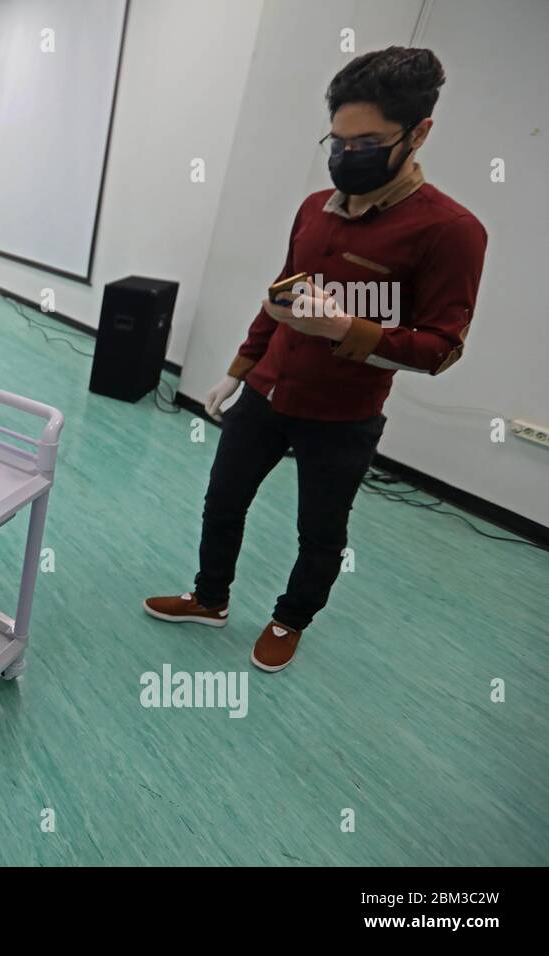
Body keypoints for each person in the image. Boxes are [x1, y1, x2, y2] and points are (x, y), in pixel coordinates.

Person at [144, 48, 486, 673]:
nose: (347, 154)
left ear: (419, 134)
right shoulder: (312, 208)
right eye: (338, 139)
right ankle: (210, 597)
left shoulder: (451, 230)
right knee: (222, 503)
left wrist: (349, 327)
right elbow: (280, 297)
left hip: (343, 415)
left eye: (368, 142)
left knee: (320, 533)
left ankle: (289, 618)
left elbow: (440, 347)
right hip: (267, 394)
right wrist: (240, 368)